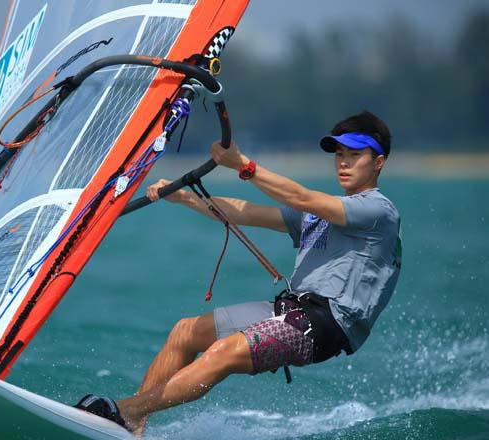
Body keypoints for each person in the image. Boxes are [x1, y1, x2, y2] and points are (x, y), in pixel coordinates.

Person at [75, 110, 402, 436]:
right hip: (294, 311)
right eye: (340, 155)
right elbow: (248, 213)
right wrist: (186, 198)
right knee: (185, 333)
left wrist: (243, 164)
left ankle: (123, 411)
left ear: (378, 162)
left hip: (327, 325)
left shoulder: (378, 211)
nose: (343, 163)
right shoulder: (319, 214)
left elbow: (301, 197)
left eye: (355, 155)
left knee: (223, 353)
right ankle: (133, 425)